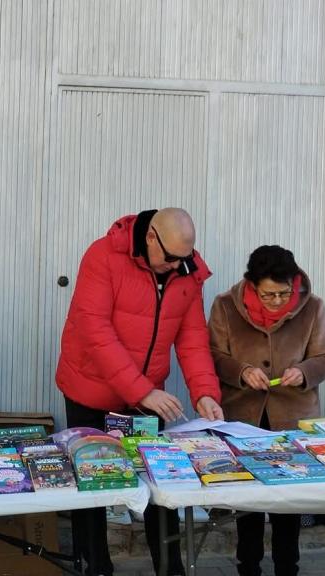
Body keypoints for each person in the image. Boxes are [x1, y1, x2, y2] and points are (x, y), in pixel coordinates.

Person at [57, 208, 225, 576]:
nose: (177, 265)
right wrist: (142, 391)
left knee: (159, 481)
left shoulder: (186, 268)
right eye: (171, 257)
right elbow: (95, 330)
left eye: (184, 257)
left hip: (147, 395)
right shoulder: (103, 255)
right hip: (90, 388)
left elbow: (192, 336)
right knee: (93, 482)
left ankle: (170, 567)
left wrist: (204, 392)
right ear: (151, 237)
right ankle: (97, 565)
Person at [208, 245, 325, 576]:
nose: (278, 301)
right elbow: (213, 355)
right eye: (269, 295)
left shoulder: (313, 307)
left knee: (288, 502)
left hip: (292, 418)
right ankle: (248, 566)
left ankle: (287, 567)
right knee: (248, 501)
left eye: (284, 293)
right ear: (252, 285)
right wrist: (241, 371)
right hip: (242, 418)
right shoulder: (225, 306)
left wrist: (305, 372)